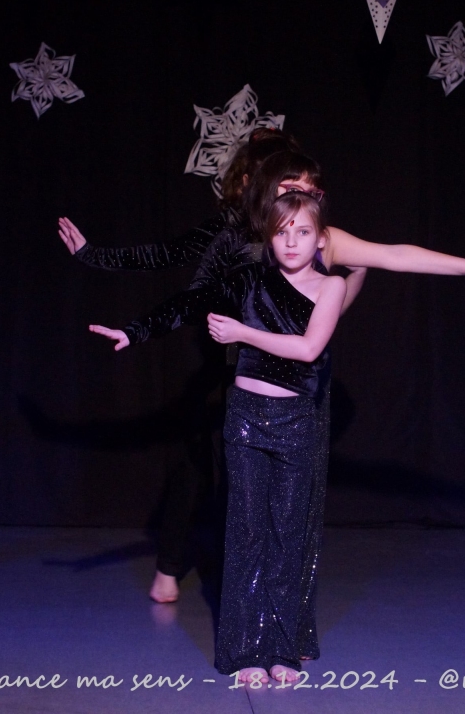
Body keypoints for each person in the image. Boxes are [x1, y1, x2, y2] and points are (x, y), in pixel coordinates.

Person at [90, 190, 346, 684]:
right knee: (246, 532)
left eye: (303, 231)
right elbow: (189, 302)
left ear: (320, 239)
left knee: (286, 534)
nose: (292, 241)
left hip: (295, 421)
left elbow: (309, 348)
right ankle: (245, 650)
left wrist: (243, 334)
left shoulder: (330, 286)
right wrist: (136, 331)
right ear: (268, 237)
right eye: (282, 231)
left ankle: (281, 648)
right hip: (246, 417)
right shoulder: (249, 279)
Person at [57, 129, 312, 605]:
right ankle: (171, 566)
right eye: (280, 178)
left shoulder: (307, 230)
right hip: (227, 370)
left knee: (269, 482)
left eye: (298, 181)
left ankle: (261, 585)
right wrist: (94, 258)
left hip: (286, 374)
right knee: (196, 466)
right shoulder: (231, 234)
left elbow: (360, 263)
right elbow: (166, 259)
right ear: (253, 181)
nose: (292, 189)